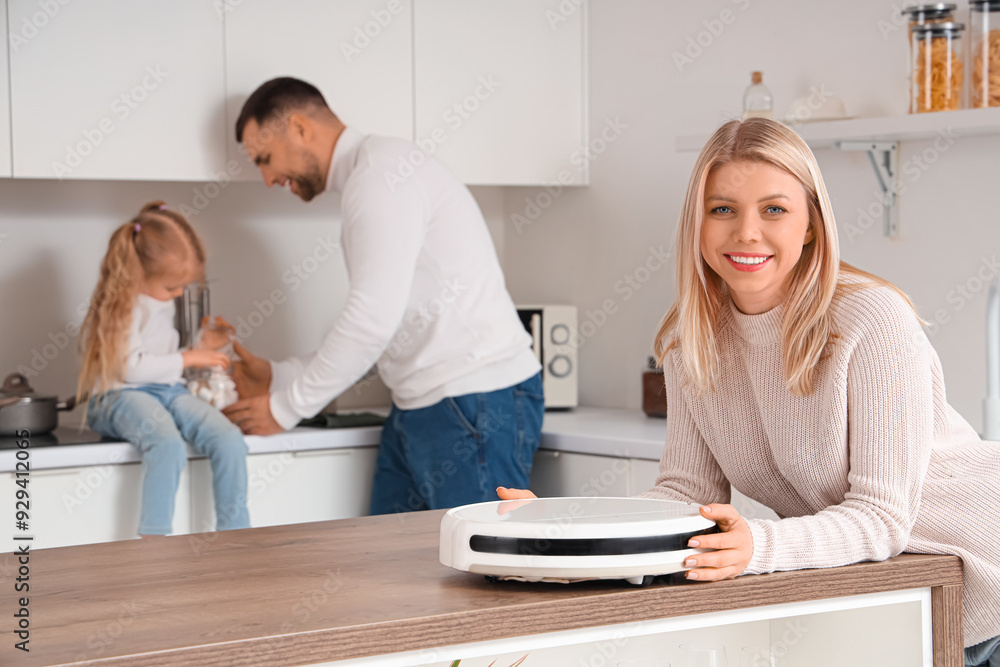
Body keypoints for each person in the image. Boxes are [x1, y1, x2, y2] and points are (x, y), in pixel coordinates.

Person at [499, 118, 1000, 664]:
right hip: (893, 587)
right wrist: (569, 523)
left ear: (810, 224)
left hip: (980, 566)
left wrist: (756, 546)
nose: (746, 233)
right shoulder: (690, 340)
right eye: (722, 209)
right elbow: (683, 493)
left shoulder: (871, 320)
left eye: (774, 209)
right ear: (697, 223)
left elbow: (881, 518)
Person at [223, 77, 544, 515]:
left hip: (472, 402)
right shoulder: (374, 176)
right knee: (390, 572)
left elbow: (370, 321)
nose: (266, 179)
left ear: (298, 128)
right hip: (428, 406)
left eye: (264, 158)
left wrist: (285, 408)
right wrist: (281, 374)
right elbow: (383, 329)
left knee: (482, 571)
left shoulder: (381, 178)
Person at [78, 201, 250, 537]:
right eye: (172, 288)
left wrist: (199, 347)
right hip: (118, 395)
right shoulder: (123, 304)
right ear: (139, 273)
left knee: (228, 437)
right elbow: (131, 370)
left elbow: (160, 360)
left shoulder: (157, 297)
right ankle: (156, 545)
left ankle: (238, 536)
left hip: (164, 391)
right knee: (167, 444)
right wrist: (190, 359)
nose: (178, 294)